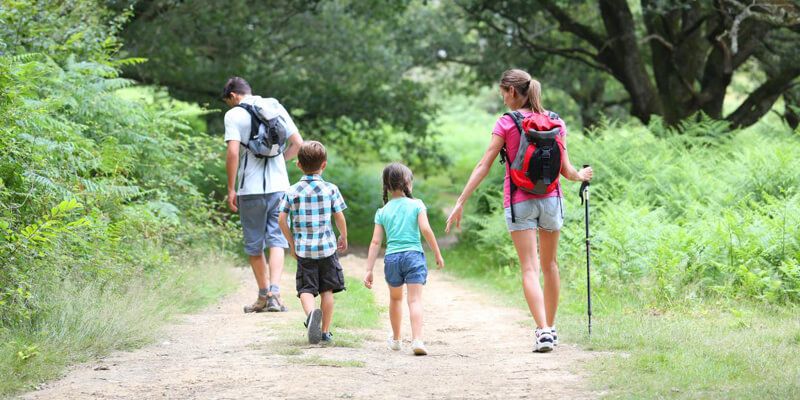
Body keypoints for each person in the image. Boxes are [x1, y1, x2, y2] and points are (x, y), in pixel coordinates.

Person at [445, 69, 593, 353]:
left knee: (529, 267)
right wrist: (581, 175)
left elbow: (484, 165)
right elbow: (566, 169)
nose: (503, 100)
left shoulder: (506, 123)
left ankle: (543, 331)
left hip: (519, 201)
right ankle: (551, 327)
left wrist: (461, 200)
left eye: (503, 93)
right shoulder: (556, 122)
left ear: (512, 91)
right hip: (552, 200)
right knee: (551, 266)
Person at [222, 76, 304, 313]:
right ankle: (275, 294)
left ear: (233, 96)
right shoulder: (274, 106)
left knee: (254, 245)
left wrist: (231, 188)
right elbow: (298, 143)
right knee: (277, 240)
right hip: (280, 187)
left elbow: (233, 153)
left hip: (250, 190)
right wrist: (279, 161)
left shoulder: (234, 114)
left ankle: (262, 296)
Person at [363, 162, 445, 356]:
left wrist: (368, 269)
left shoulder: (382, 211)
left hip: (392, 258)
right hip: (413, 256)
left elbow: (375, 242)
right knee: (414, 300)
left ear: (387, 186)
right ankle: (417, 339)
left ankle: (397, 339)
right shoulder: (417, 204)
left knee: (395, 299)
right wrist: (437, 253)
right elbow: (425, 229)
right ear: (408, 183)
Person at [278, 141, 348, 345]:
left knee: (306, 289)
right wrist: (342, 236)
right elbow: (339, 216)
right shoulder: (330, 189)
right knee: (327, 290)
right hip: (327, 249)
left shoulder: (292, 191)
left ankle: (311, 317)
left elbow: (281, 219)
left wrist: (291, 244)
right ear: (324, 165)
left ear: (298, 164)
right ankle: (325, 332)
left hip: (304, 251)